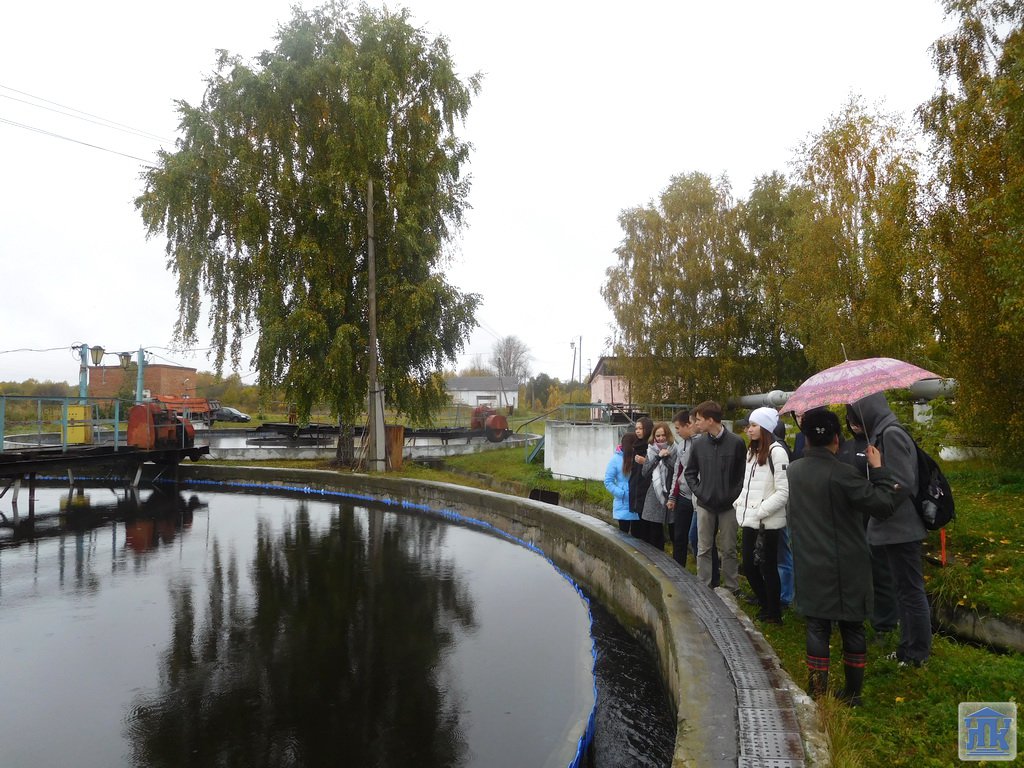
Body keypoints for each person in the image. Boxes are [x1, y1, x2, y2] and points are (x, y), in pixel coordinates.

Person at [787, 409, 907, 706]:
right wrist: (878, 470)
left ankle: (817, 692)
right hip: (848, 563)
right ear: (837, 440)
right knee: (852, 625)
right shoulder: (843, 473)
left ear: (806, 440)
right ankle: (853, 694)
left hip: (810, 561)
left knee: (817, 626)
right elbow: (883, 504)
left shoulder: (794, 471)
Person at [851, 392, 932, 667]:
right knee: (902, 590)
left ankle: (917, 654)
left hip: (902, 527)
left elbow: (902, 482)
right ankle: (906, 648)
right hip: (893, 527)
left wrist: (877, 471)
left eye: (857, 411)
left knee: (911, 591)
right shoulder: (881, 433)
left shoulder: (891, 434)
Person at [838, 405, 899, 637]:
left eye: (857, 419)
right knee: (854, 572)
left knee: (880, 572)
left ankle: (885, 624)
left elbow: (890, 482)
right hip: (850, 520)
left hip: (874, 517)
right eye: (849, 419)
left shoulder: (877, 445)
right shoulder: (845, 447)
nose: (853, 424)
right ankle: (856, 616)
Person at [734, 407, 790, 624]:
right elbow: (748, 486)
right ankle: (766, 603)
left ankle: (774, 612)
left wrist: (761, 510)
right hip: (751, 518)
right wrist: (739, 503)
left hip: (767, 522)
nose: (749, 430)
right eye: (749, 425)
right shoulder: (753, 452)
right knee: (749, 566)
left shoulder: (777, 452)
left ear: (765, 427)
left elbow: (783, 491)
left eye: (754, 425)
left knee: (768, 566)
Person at [684, 400, 747, 593]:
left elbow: (743, 475)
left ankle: (732, 588)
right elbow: (690, 472)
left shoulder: (736, 442)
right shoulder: (699, 444)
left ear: (710, 420)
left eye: (699, 420)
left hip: (729, 505)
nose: (696, 423)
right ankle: (704, 586)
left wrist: (733, 495)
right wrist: (700, 492)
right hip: (705, 504)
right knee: (703, 548)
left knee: (729, 549)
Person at [639, 421, 676, 549]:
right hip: (654, 494)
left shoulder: (675, 448)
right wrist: (658, 457)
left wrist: (666, 457)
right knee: (654, 534)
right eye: (658, 436)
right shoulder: (651, 450)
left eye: (663, 435)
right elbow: (645, 472)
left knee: (674, 534)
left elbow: (676, 470)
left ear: (668, 435)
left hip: (671, 494)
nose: (660, 438)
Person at [667, 410, 696, 567]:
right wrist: (673, 496)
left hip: (698, 498)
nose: (677, 432)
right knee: (679, 536)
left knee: (696, 538)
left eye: (678, 428)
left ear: (688, 425)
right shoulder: (681, 445)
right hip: (683, 496)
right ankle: (678, 569)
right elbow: (677, 471)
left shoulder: (701, 443)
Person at [605, 431, 641, 535]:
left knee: (638, 535)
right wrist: (622, 493)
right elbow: (608, 481)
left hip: (637, 500)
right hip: (623, 503)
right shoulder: (615, 459)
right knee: (623, 535)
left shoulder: (639, 457)